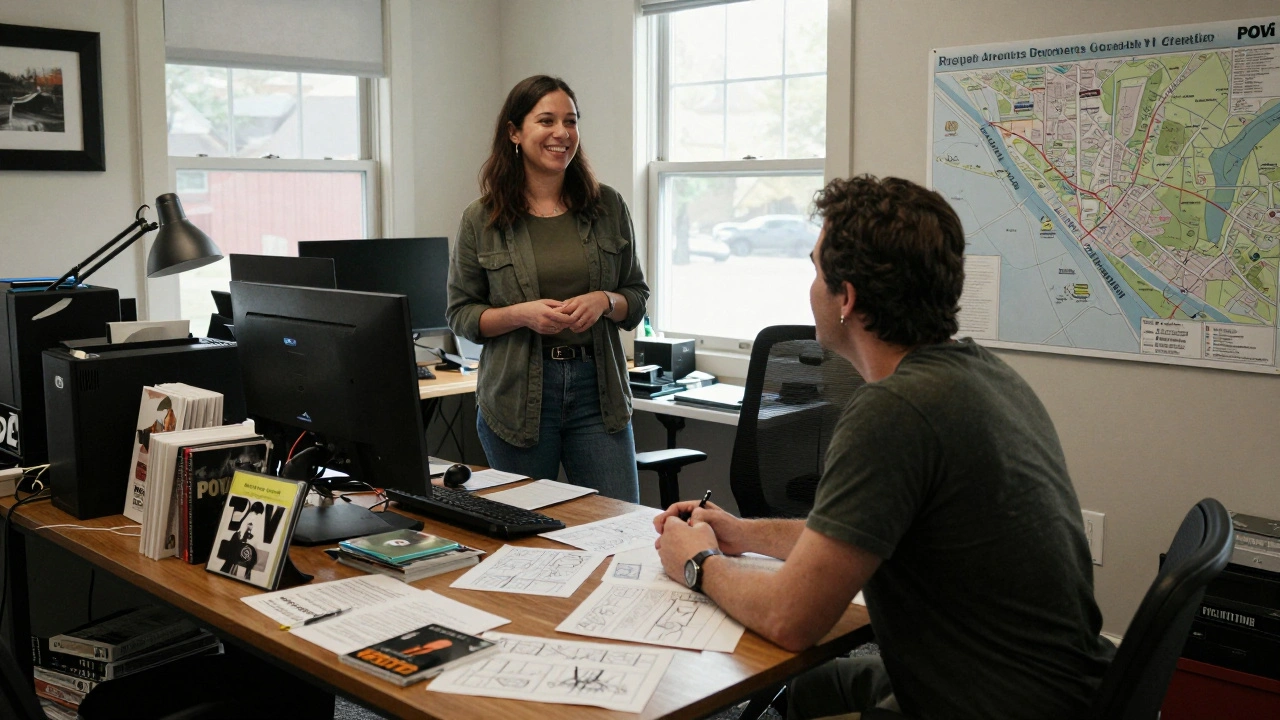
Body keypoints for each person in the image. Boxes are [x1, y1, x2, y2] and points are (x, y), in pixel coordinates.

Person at [653, 175, 1113, 719]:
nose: (811, 287)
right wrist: (742, 533)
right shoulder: (982, 374)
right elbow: (853, 534)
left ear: (846, 298)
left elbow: (789, 620)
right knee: (812, 688)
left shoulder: (894, 411)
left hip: (995, 704)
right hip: (1053, 686)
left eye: (815, 270)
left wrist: (698, 562)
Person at [447, 75, 648, 503]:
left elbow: (636, 297)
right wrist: (521, 315)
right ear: (514, 132)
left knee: (620, 525)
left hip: (599, 394)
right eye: (546, 120)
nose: (562, 133)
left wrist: (604, 301)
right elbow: (462, 314)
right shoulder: (481, 218)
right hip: (517, 397)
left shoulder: (608, 206)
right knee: (526, 527)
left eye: (570, 121)